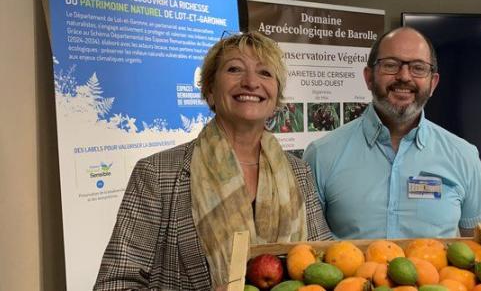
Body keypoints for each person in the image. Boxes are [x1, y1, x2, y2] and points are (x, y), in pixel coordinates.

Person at [95, 32, 332, 291]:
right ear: (209, 90)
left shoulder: (299, 172)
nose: (251, 82)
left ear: (276, 98)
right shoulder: (157, 173)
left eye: (265, 73)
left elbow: (322, 262)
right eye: (234, 69)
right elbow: (115, 284)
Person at [303, 27, 481, 239]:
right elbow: (308, 249)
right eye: (390, 65)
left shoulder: (464, 156)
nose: (404, 76)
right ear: (369, 78)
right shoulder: (321, 155)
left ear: (433, 83)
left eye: (418, 68)